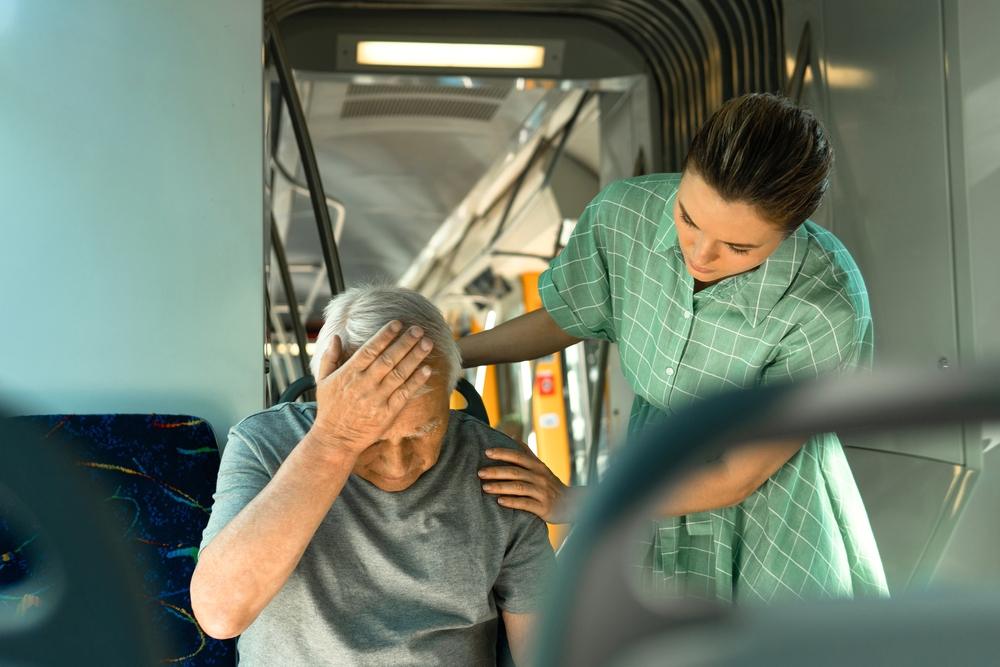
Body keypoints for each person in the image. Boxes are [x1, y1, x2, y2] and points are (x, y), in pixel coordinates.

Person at [460, 93, 889, 602]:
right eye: (688, 218)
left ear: (792, 231)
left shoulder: (826, 302)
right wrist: (455, 354)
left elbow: (737, 476)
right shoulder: (625, 217)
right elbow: (567, 316)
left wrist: (573, 502)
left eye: (739, 247)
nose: (701, 254)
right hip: (653, 464)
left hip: (772, 508)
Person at [190, 286, 553, 665]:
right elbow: (220, 614)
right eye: (372, 438)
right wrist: (334, 440)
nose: (397, 465)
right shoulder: (266, 444)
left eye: (422, 431)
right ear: (325, 393)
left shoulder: (497, 466)